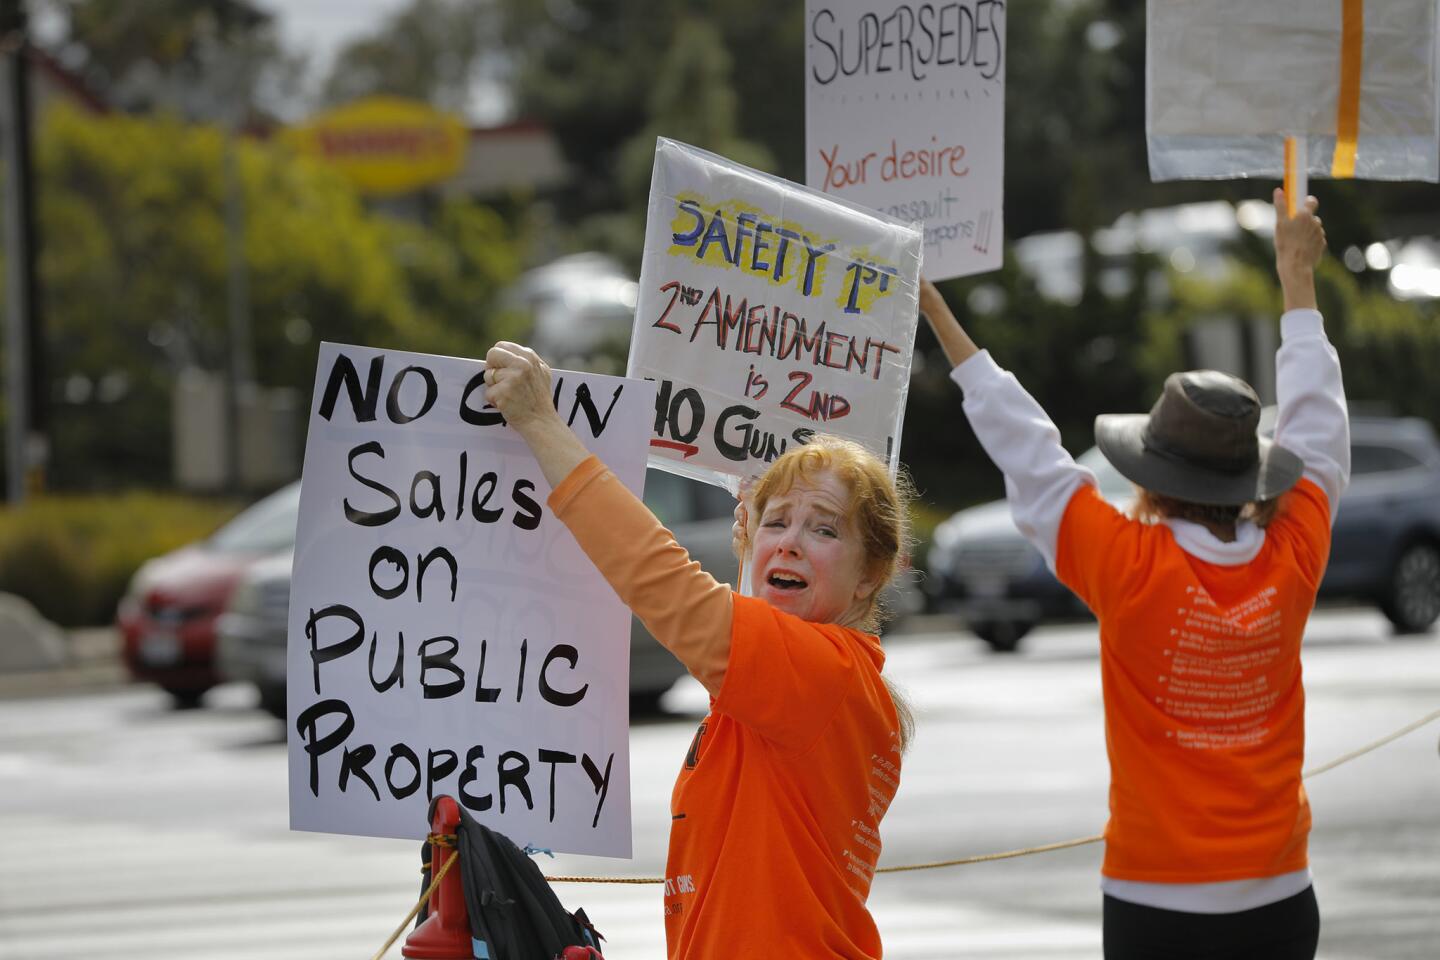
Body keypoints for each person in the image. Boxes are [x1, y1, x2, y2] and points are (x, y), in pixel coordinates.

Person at [920, 189, 1347, 960]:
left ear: (1148, 478)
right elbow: (1320, 432)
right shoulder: (1293, 556)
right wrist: (1296, 277)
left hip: (1155, 903)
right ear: (1247, 477)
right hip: (1282, 897)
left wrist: (936, 313)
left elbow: (1030, 454)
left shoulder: (1127, 563)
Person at [482, 342, 914, 959]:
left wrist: (541, 424)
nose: (789, 543)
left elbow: (663, 584)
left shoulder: (824, 671)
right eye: (775, 522)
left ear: (872, 575)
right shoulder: (804, 686)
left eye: (824, 528)